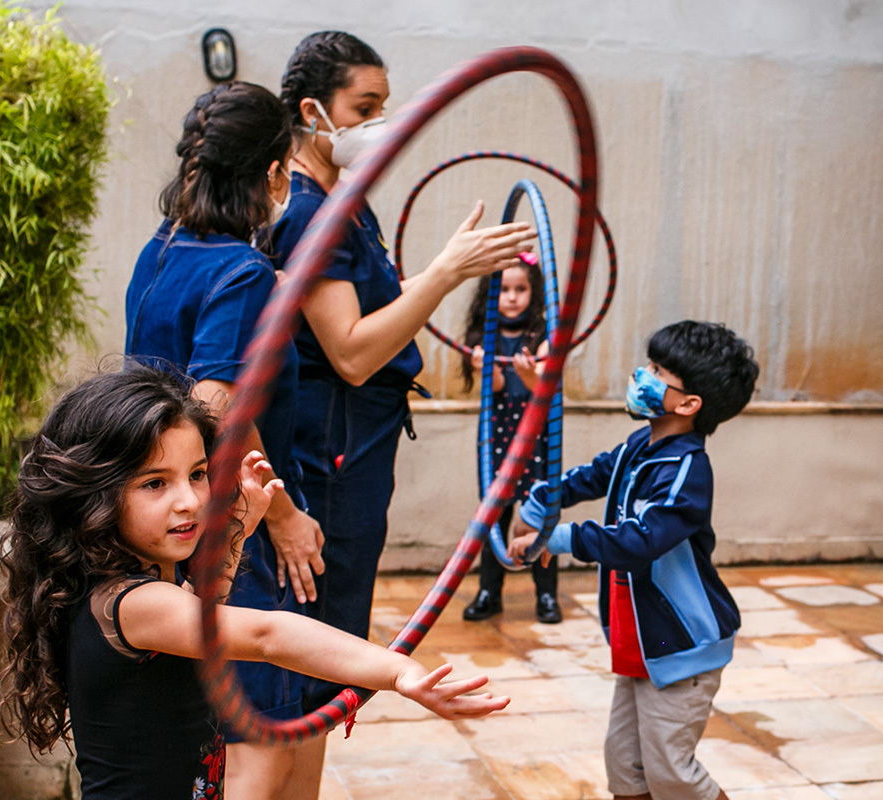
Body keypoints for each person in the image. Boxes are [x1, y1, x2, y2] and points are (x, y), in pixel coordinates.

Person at [0, 366, 511, 799]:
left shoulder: (130, 590)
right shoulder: (132, 603)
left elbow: (200, 614)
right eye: (156, 483)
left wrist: (238, 531)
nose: (190, 500)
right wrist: (397, 672)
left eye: (197, 473)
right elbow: (269, 635)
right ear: (94, 493)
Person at [272, 31, 537, 797]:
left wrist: (438, 269)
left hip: (353, 447)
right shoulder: (308, 214)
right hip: (331, 452)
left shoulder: (342, 207)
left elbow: (372, 314)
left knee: (328, 649)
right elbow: (351, 350)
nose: (381, 124)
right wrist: (448, 274)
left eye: (386, 107)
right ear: (312, 112)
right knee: (316, 660)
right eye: (365, 108)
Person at [123, 81, 324, 797]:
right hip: (229, 529)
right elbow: (214, 407)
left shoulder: (162, 251)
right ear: (273, 174)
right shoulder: (241, 272)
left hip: (162, 519)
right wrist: (284, 515)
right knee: (258, 739)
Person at [508, 320, 759, 800]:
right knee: (625, 769)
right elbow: (591, 476)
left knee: (672, 775)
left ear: (688, 405)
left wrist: (555, 538)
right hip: (640, 643)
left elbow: (638, 541)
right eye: (649, 363)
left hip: (681, 649)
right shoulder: (639, 447)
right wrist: (541, 500)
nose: (641, 375)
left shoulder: (688, 471)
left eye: (657, 371)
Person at [459, 257, 562, 624]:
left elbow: (543, 392)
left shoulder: (544, 335)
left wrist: (530, 374)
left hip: (535, 433)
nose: (513, 298)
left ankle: (547, 595)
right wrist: (489, 370)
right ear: (491, 294)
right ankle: (489, 592)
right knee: (495, 517)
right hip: (498, 435)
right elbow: (496, 390)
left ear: (533, 293)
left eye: (521, 289)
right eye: (504, 289)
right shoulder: (482, 336)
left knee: (539, 515)